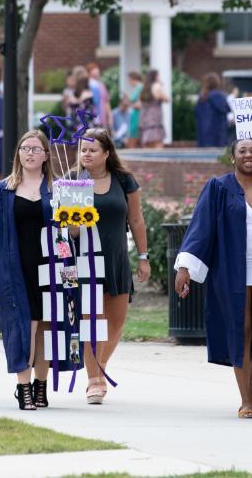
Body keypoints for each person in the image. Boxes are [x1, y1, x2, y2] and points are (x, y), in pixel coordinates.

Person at [174, 138, 252, 417]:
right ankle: (247, 400)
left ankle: (249, 380)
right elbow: (200, 228)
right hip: (230, 270)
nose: (248, 155)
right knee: (240, 332)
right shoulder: (219, 187)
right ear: (233, 158)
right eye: (242, 151)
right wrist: (184, 268)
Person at [0, 130, 57, 410]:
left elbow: (73, 231)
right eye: (24, 148)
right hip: (14, 268)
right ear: (18, 154)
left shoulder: (57, 189)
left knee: (46, 328)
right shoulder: (3, 189)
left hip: (50, 268)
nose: (29, 153)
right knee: (22, 326)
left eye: (35, 149)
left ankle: (41, 388)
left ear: (46, 155)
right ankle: (24, 387)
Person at [74, 128, 150, 405]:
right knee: (93, 322)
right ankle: (94, 380)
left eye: (92, 150)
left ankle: (98, 367)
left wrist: (144, 257)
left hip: (117, 258)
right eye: (83, 149)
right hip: (85, 260)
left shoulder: (123, 179)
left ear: (107, 153)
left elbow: (137, 220)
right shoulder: (73, 181)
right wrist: (73, 223)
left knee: (116, 323)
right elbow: (68, 231)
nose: (87, 154)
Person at [194, 72, 231, 147]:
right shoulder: (218, 95)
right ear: (217, 83)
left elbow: (196, 113)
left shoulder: (201, 97)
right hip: (217, 135)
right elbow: (225, 109)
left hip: (203, 136)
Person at [139, 69, 169, 148]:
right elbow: (166, 99)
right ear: (155, 76)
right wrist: (161, 86)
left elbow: (140, 103)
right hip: (155, 120)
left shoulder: (144, 88)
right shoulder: (156, 86)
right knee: (158, 145)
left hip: (145, 120)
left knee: (147, 146)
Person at [123, 71, 143, 148]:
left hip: (138, 115)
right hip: (135, 114)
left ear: (133, 79)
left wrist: (129, 102)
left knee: (133, 137)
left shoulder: (139, 87)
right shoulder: (137, 88)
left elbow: (140, 104)